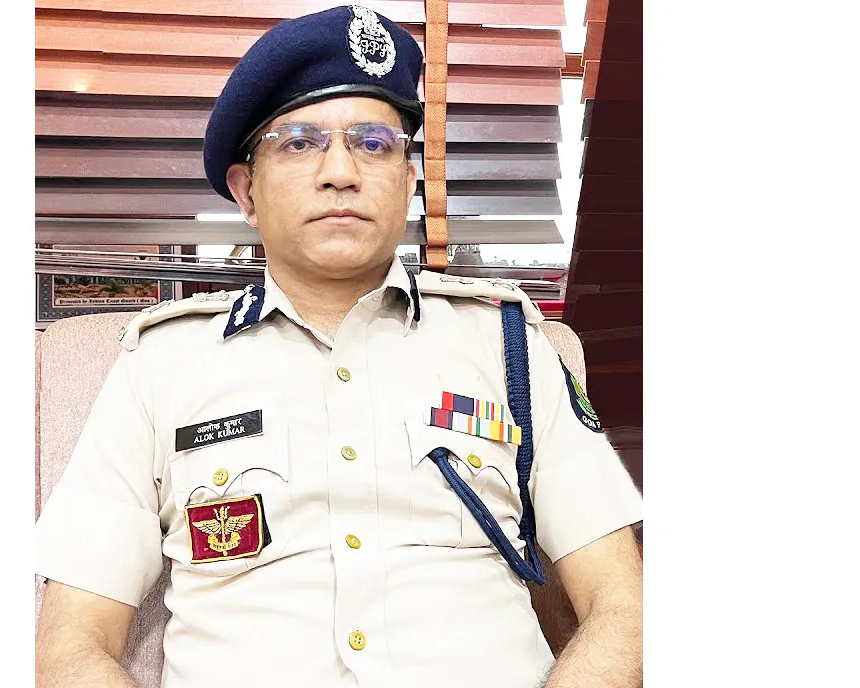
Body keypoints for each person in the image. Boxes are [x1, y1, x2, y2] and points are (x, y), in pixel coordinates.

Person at [34, 6, 643, 688]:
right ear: (247, 191)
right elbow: (74, 641)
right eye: (299, 143)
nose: (341, 172)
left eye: (374, 143)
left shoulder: (510, 348)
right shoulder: (160, 365)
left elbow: (624, 606)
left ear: (408, 180)